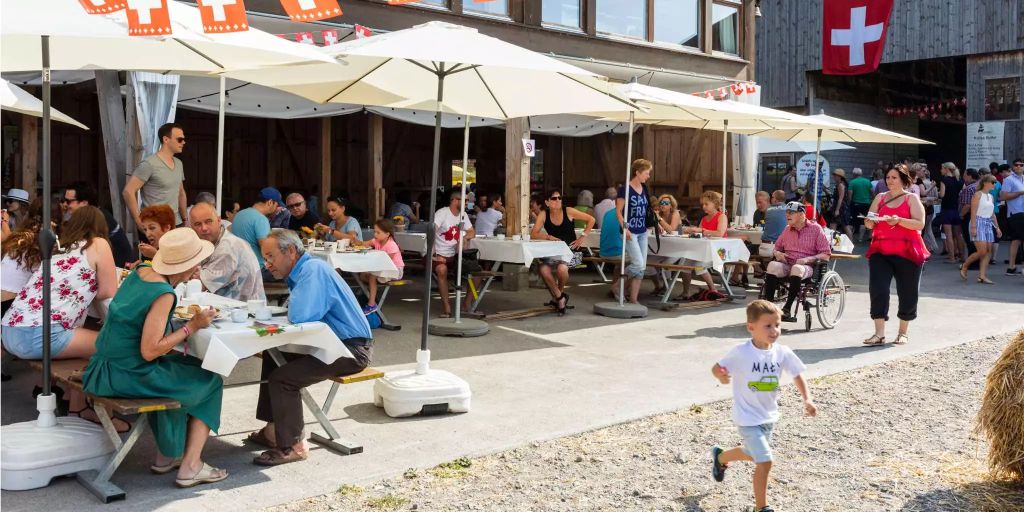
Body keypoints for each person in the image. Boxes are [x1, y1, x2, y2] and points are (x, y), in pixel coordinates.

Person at [81, 228, 226, 487]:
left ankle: (167, 455)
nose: (198, 267)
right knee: (211, 380)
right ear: (186, 265)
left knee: (185, 368)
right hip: (125, 376)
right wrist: (192, 327)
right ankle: (191, 466)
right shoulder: (163, 292)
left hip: (103, 368)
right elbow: (150, 351)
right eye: (196, 262)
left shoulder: (141, 271)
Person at [249, 230, 372, 466]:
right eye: (265, 258)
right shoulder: (305, 270)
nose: (267, 264)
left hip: (351, 350)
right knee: (273, 356)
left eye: (271, 256)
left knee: (283, 379)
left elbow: (300, 316)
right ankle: (273, 430)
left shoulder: (312, 269)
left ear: (291, 251)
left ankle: (294, 446)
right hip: (331, 343)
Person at [710, 300, 816, 512]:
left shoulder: (782, 352)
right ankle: (761, 508)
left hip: (768, 416)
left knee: (753, 454)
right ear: (751, 327)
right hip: (747, 418)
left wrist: (807, 399)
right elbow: (717, 368)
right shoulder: (741, 352)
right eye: (768, 326)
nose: (774, 330)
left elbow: (797, 374)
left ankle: (720, 457)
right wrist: (721, 376)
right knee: (765, 461)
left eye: (777, 325)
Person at [2, 206, 117, 360]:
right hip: (40, 335)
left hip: (8, 331)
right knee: (118, 345)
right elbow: (107, 292)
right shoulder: (98, 243)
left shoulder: (59, 249)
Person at [863, 164, 929, 347]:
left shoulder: (911, 198)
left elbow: (919, 224)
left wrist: (899, 220)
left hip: (908, 250)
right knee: (878, 289)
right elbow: (869, 221)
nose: (890, 181)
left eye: (894, 178)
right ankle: (879, 334)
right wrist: (870, 221)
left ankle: (902, 332)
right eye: (888, 177)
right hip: (880, 249)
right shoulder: (880, 197)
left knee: (908, 291)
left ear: (903, 179)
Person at [761, 202, 832, 322]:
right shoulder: (787, 229)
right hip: (787, 263)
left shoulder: (815, 229)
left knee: (797, 268)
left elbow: (826, 254)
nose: (787, 215)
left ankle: (787, 308)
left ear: (801, 214)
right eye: (786, 212)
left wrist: (807, 259)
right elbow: (776, 248)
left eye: (791, 213)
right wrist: (778, 254)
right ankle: (770, 308)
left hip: (807, 267)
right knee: (772, 265)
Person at [531, 190, 594, 314]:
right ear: (547, 202)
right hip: (554, 251)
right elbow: (533, 234)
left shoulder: (568, 211)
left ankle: (558, 297)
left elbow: (591, 219)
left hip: (572, 251)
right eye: (554, 198)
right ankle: (560, 297)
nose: (558, 200)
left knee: (562, 269)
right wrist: (549, 237)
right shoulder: (544, 214)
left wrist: (582, 237)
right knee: (543, 269)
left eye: (559, 198)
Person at [189, 202, 265, 302]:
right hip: (232, 306)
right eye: (198, 224)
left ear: (219, 220)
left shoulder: (228, 247)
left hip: (245, 309)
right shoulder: (211, 243)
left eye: (208, 221)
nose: (204, 228)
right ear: (191, 227)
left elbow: (199, 285)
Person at [123, 123, 188, 227]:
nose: (183, 142)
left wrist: (185, 219)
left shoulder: (179, 163)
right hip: (155, 225)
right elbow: (128, 191)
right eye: (180, 139)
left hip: (176, 223)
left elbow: (181, 192)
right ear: (166, 139)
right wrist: (139, 221)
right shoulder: (149, 164)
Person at [62, 181, 134, 268]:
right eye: (64, 200)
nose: (65, 204)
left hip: (119, 269)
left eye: (68, 201)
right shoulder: (92, 215)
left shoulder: (99, 219)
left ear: (84, 203)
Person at [431, 190, 476, 318]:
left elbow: (472, 231)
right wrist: (434, 252)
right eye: (465, 200)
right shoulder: (442, 213)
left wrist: (464, 238)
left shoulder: (464, 214)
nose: (467, 203)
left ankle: (466, 304)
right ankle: (447, 308)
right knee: (441, 269)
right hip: (440, 253)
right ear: (455, 200)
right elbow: (432, 230)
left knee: (477, 273)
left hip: (456, 255)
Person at [678, 191, 728, 302]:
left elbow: (719, 233)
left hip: (719, 251)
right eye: (703, 204)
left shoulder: (721, 217)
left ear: (715, 204)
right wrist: (691, 232)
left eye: (706, 204)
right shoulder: (704, 219)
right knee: (684, 264)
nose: (703, 207)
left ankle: (713, 290)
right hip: (703, 250)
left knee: (698, 265)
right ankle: (686, 292)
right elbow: (699, 235)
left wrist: (701, 230)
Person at [616, 159, 653, 304]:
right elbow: (618, 212)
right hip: (630, 231)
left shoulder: (644, 188)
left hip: (643, 231)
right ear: (637, 172)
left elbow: (647, 209)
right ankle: (617, 286)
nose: (648, 176)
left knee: (641, 267)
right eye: (646, 173)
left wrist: (655, 224)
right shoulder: (625, 189)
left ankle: (634, 298)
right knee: (638, 264)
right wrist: (625, 228)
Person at [1, 200, 45, 316]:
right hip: (11, 300)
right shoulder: (37, 239)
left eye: (11, 201)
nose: (8, 204)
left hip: (9, 298)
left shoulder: (22, 236)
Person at [355, 218, 404, 314]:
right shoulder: (376, 241)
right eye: (375, 232)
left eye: (378, 232)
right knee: (362, 275)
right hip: (383, 268)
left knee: (372, 276)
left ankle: (371, 304)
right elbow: (363, 244)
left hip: (395, 270)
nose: (375, 234)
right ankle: (371, 292)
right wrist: (354, 241)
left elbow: (385, 262)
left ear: (387, 234)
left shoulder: (391, 245)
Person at [959, 176, 1001, 284]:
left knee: (988, 252)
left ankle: (982, 276)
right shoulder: (977, 195)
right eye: (993, 182)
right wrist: (973, 227)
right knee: (982, 251)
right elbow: (973, 212)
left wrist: (997, 228)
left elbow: (992, 214)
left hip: (988, 223)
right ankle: (965, 265)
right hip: (978, 222)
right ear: (985, 182)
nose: (995, 184)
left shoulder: (991, 196)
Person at [231, 187, 280, 279]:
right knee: (289, 272)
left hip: (238, 269)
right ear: (270, 202)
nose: (277, 209)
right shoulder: (261, 219)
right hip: (257, 270)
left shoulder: (239, 215)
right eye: (276, 205)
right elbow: (266, 248)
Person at [1000, 158, 1024, 276]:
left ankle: (1012, 267)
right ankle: (1012, 267)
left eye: (1021, 165)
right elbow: (1003, 197)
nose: (1019, 167)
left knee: (1017, 240)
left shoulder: (1023, 178)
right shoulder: (1009, 180)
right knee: (1017, 239)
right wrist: (1019, 193)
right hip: (1015, 213)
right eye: (1016, 165)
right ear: (1013, 167)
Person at [938, 162, 965, 263]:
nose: (941, 170)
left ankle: (952, 258)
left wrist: (938, 193)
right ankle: (962, 256)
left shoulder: (944, 180)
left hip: (946, 209)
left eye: (942, 168)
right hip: (956, 210)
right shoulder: (959, 180)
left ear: (946, 169)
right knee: (958, 235)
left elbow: (942, 195)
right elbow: (963, 191)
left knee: (949, 236)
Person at [599, 206, 625, 300]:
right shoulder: (627, 214)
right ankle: (621, 288)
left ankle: (615, 287)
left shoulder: (608, 213)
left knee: (620, 264)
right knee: (638, 262)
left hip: (603, 252)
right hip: (617, 253)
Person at [915, 166, 940, 254]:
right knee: (927, 228)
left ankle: (928, 247)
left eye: (924, 171)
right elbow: (936, 197)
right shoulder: (928, 183)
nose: (923, 172)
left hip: (925, 207)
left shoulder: (922, 183)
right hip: (929, 207)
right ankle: (931, 246)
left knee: (925, 229)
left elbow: (923, 194)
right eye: (922, 170)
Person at [848, 168, 873, 242]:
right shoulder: (867, 182)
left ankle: (850, 238)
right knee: (863, 221)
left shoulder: (852, 182)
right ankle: (860, 238)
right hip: (866, 203)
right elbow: (872, 192)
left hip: (855, 203)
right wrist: (871, 199)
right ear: (861, 174)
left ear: (853, 174)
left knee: (852, 221)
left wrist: (849, 203)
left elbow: (850, 194)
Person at [829, 168, 853, 241]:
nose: (834, 177)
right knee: (842, 225)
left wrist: (837, 210)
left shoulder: (840, 185)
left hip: (840, 208)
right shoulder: (841, 184)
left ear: (840, 176)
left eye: (835, 175)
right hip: (841, 207)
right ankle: (835, 242)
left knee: (839, 225)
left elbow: (840, 198)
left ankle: (834, 242)